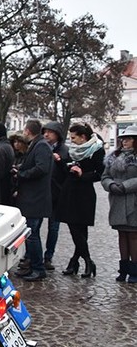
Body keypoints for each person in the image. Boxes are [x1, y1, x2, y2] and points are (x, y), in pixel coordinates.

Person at [55, 124, 105, 278]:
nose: (71, 140)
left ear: (83, 137)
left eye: (73, 137)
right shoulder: (73, 150)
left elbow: (99, 174)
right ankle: (80, 261)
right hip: (70, 193)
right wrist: (62, 163)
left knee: (80, 230)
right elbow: (66, 170)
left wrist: (82, 174)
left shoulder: (97, 150)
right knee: (75, 229)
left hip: (84, 194)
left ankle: (83, 261)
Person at [13, 120, 54, 281]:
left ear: (28, 131)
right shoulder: (37, 145)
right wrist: (21, 168)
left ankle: (38, 268)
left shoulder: (41, 146)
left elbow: (41, 168)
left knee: (32, 235)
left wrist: (22, 174)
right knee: (30, 234)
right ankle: (31, 265)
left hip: (35, 198)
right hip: (31, 198)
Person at [101, 125, 137, 283]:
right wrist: (111, 185)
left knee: (133, 236)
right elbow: (105, 176)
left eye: (128, 139)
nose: (124, 142)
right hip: (117, 200)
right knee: (122, 235)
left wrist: (126, 186)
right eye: (123, 139)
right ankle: (123, 269)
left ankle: (134, 270)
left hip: (133, 200)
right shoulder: (113, 157)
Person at [41, 121, 70, 271]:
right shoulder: (42, 147)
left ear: (57, 134)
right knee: (34, 226)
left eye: (49, 132)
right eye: (44, 132)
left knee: (53, 227)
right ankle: (34, 256)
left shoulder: (63, 150)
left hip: (56, 194)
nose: (46, 134)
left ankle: (48, 256)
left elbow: (65, 171)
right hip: (42, 193)